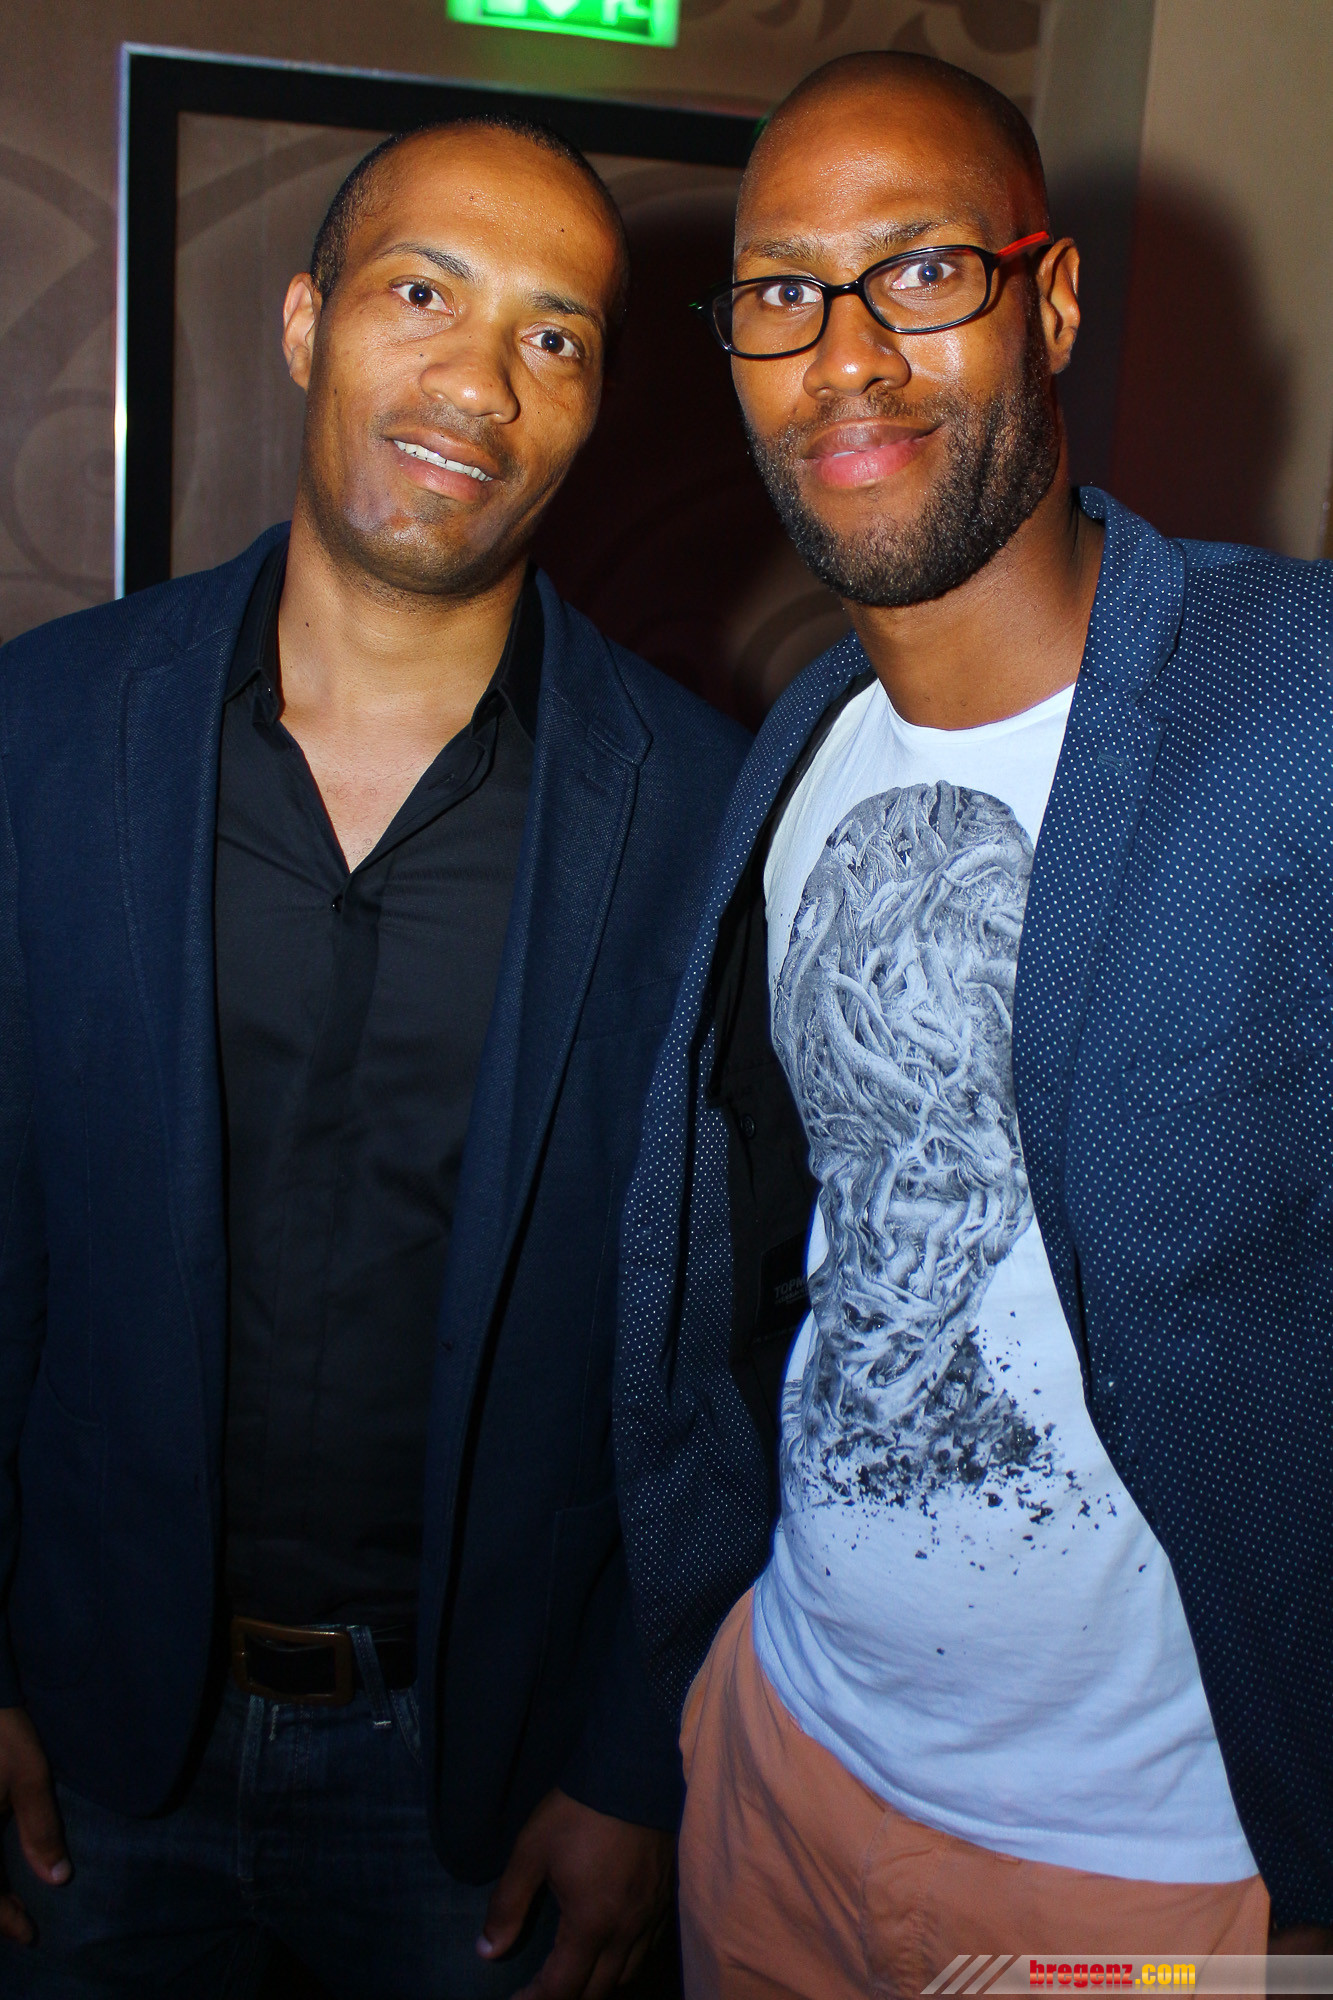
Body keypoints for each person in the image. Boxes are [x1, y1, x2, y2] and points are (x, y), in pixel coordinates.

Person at [0, 116, 748, 1998]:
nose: (480, 385)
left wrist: (635, 1754)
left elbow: (733, 1337)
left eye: (554, 336)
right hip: (82, 1739)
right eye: (423, 293)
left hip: (480, 1783)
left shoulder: (702, 812)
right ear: (303, 321)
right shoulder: (42, 732)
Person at [614, 50, 1333, 1994]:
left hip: (1152, 1873)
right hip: (781, 1763)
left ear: (1053, 300)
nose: (844, 353)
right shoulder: (799, 748)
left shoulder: (1296, 705)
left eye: (921, 270)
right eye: (781, 291)